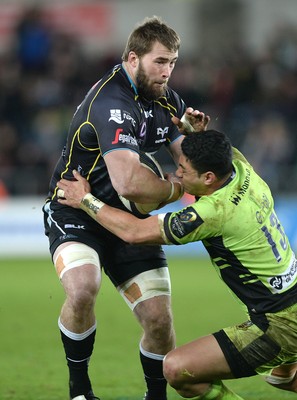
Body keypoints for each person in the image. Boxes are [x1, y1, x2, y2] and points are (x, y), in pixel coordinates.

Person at [57, 129, 297, 400]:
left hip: (279, 324)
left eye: (184, 169)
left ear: (208, 178)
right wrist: (193, 128)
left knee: (177, 369)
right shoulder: (243, 170)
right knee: (281, 376)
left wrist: (85, 200)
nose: (177, 174)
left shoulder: (213, 212)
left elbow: (134, 233)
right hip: (291, 303)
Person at [42, 15, 210, 400]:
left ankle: (156, 397)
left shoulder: (167, 99)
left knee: (159, 318)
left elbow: (193, 165)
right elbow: (131, 183)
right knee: (83, 288)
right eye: (160, 62)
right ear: (133, 59)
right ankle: (79, 391)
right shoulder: (110, 102)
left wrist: (197, 142)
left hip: (130, 218)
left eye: (172, 63)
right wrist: (174, 187)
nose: (167, 72)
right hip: (76, 209)